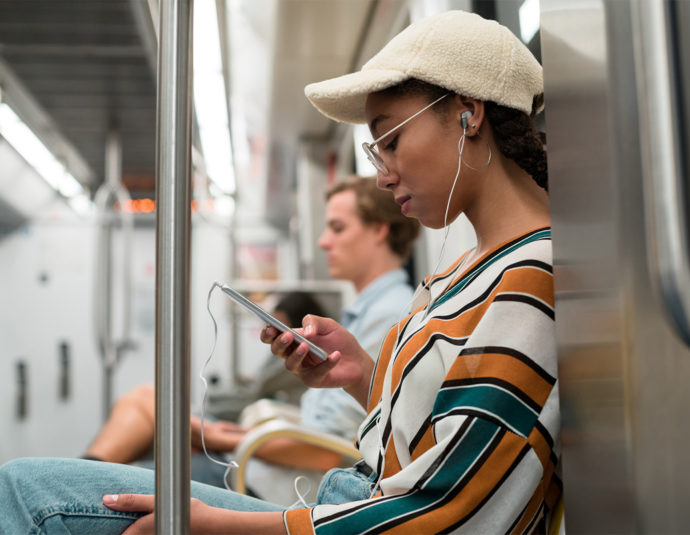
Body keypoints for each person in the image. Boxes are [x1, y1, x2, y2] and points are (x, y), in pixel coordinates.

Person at [0, 10, 560, 534]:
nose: (384, 176)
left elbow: (450, 508)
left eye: (391, 141)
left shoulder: (529, 278)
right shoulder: (464, 270)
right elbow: (428, 438)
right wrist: (360, 373)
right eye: (375, 152)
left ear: (469, 112)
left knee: (30, 494)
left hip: (349, 512)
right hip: (347, 502)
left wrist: (222, 525)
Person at [81, 176, 420, 497]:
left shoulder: (387, 316)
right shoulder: (365, 313)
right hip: (272, 462)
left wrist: (223, 440)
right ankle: (80, 479)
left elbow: (332, 449)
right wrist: (233, 436)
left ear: (379, 230)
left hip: (284, 484)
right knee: (149, 417)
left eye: (337, 228)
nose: (323, 241)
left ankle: (77, 482)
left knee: (146, 422)